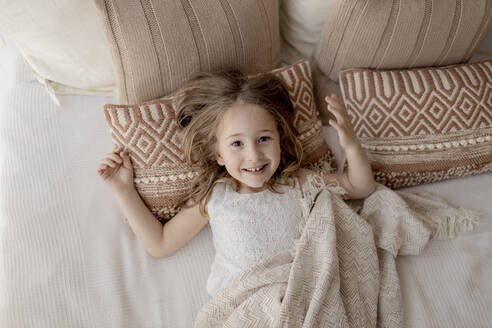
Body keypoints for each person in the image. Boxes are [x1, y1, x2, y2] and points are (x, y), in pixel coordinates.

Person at [97, 69, 376, 295]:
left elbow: (359, 187)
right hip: (245, 302)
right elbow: (160, 243)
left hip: (299, 293)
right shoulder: (216, 196)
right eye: (237, 144)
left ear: (280, 140)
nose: (254, 155)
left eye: (264, 139)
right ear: (218, 154)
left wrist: (351, 145)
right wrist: (124, 190)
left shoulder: (296, 181)